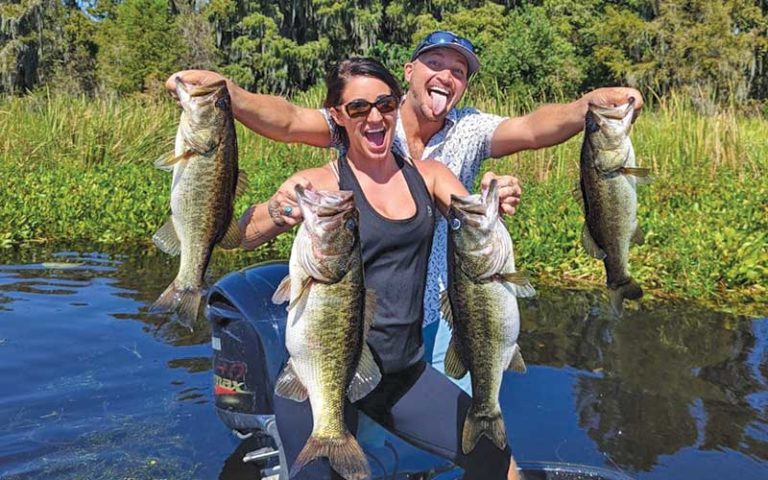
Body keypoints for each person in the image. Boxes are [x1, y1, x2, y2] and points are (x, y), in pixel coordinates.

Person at [166, 30, 644, 393]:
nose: (447, 76)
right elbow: (288, 119)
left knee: (455, 436)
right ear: (409, 71)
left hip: (446, 314)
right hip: (359, 318)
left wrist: (589, 105)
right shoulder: (365, 118)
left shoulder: (471, 128)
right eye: (436, 63)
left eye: (460, 71)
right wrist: (221, 91)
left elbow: (535, 127)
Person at [242, 56, 520, 479]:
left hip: (402, 374)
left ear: (396, 105)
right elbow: (241, 236)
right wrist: (277, 212)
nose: (375, 117)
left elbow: (470, 215)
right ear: (337, 115)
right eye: (358, 108)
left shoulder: (427, 174)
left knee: (493, 458)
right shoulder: (321, 182)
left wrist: (494, 193)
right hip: (323, 373)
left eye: (385, 104)